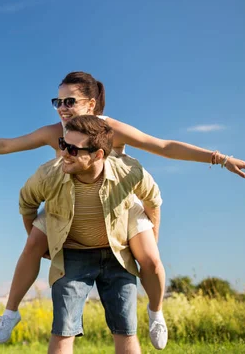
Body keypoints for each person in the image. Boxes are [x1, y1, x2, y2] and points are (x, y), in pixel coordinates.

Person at [0, 71, 245, 350]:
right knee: (32, 244)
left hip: (117, 207)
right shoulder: (55, 134)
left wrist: (219, 158)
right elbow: (6, 144)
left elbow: (162, 146)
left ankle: (156, 312)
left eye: (70, 101)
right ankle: (10, 312)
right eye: (58, 101)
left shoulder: (111, 130)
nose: (61, 108)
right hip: (64, 205)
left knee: (152, 260)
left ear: (92, 103)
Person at [20, 115, 161, 354]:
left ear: (97, 155)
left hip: (118, 254)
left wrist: (151, 240)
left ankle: (156, 313)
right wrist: (43, 242)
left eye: (73, 150)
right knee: (63, 330)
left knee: (126, 330)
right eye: (63, 145)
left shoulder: (129, 170)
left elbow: (153, 200)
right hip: (73, 255)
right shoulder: (49, 174)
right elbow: (27, 205)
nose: (63, 153)